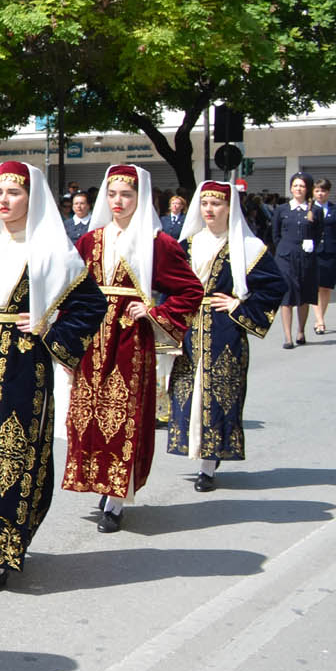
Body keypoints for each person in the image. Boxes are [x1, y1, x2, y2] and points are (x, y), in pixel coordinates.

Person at [0, 161, 105, 594]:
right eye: (0, 193)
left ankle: (1, 552)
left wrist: (52, 329)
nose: (5, 201)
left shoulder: (53, 253)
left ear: (33, 199)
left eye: (15, 193)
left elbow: (91, 306)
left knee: (11, 455)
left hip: (23, 366)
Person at [60, 164, 204, 532]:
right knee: (89, 416)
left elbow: (191, 289)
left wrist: (155, 311)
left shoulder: (157, 242)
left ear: (141, 198)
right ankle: (100, 481)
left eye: (126, 194)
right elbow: (70, 292)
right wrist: (66, 342)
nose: (118, 201)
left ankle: (117, 499)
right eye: (112, 194)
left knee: (123, 418)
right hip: (93, 340)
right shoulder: (90, 241)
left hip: (129, 341)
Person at [165, 181, 287, 491]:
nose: (209, 209)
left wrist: (238, 304)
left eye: (216, 204)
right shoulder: (187, 245)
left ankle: (208, 464)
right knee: (187, 393)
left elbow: (274, 286)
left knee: (218, 395)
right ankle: (196, 449)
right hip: (190, 330)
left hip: (224, 330)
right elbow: (168, 286)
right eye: (204, 203)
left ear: (229, 208)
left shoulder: (247, 247)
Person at [271, 172, 322, 348]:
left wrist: (310, 244)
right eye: (295, 185)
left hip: (306, 257)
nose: (298, 189)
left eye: (301, 186)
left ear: (307, 189)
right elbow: (275, 235)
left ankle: (301, 331)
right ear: (291, 188)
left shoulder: (315, 210)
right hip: (285, 257)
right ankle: (288, 337)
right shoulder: (282, 209)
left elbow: (319, 232)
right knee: (287, 295)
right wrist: (284, 249)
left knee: (304, 294)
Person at [311, 178, 336, 335]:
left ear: (328, 192)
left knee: (326, 288)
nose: (320, 194)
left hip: (330, 252)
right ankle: (319, 320)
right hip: (313, 253)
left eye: (323, 191)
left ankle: (320, 317)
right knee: (315, 287)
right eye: (317, 190)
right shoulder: (308, 209)